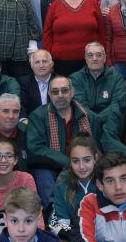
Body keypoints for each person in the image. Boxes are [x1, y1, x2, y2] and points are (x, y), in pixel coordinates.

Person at [26, 76, 102, 209]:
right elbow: (35, 148)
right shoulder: (38, 116)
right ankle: (52, 214)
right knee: (42, 172)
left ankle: (90, 210)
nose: (60, 95)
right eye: (55, 92)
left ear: (72, 92)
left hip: (83, 164)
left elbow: (98, 146)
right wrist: (68, 162)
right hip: (52, 167)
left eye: (64, 91)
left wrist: (81, 163)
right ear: (49, 94)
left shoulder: (88, 117)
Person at [43, 0, 106, 77]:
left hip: (90, 61)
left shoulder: (92, 3)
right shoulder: (55, 6)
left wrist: (103, 55)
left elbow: (102, 31)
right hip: (60, 62)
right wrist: (47, 58)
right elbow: (47, 34)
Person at [49, 136, 100, 242]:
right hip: (74, 235)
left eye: (87, 160)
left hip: (103, 235)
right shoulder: (63, 181)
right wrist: (79, 238)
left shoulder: (104, 177)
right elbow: (60, 221)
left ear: (95, 159)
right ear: (70, 162)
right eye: (76, 161)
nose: (81, 166)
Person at [69, 41, 123, 113]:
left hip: (110, 121)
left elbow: (117, 105)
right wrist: (94, 121)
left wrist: (100, 119)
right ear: (85, 58)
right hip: (85, 121)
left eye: (99, 55)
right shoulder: (75, 78)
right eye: (90, 55)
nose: (95, 59)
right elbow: (80, 106)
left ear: (104, 58)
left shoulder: (117, 78)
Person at [17, 48, 54, 117]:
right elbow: (21, 105)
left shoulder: (60, 81)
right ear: (31, 65)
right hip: (32, 121)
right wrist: (24, 120)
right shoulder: (24, 82)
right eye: (37, 62)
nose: (41, 65)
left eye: (44, 61)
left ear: (51, 64)